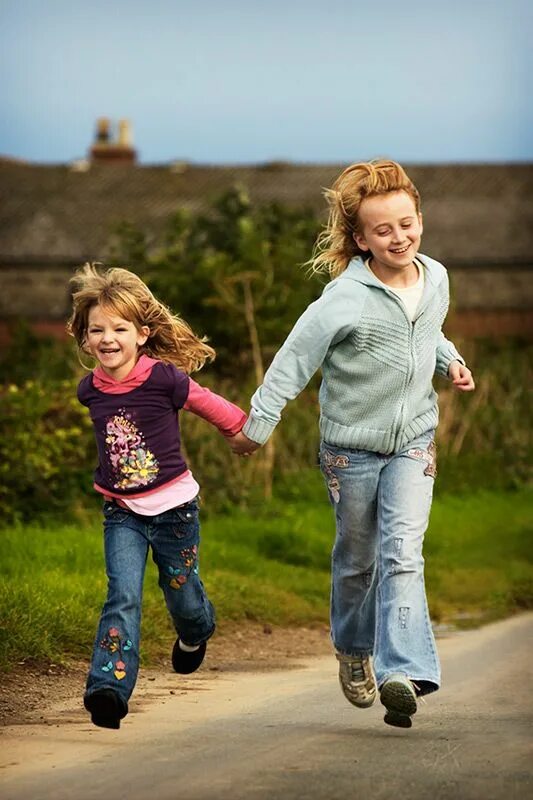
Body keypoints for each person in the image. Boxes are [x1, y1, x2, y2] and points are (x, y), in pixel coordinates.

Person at [229, 160, 475, 728]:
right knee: (357, 562)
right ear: (360, 238)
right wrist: (256, 427)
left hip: (415, 439)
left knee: (402, 553)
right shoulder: (344, 299)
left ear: (420, 220)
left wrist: (451, 360)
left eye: (407, 224)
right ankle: (353, 649)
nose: (399, 238)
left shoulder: (435, 277)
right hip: (351, 452)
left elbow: (427, 328)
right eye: (383, 230)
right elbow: (293, 361)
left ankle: (401, 672)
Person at [68, 263, 247, 730]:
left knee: (182, 594)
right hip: (121, 512)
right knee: (122, 596)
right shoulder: (90, 390)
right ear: (85, 339)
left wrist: (243, 429)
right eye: (97, 330)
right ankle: (108, 688)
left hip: (174, 511)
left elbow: (207, 401)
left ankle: (196, 632)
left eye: (120, 329)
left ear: (142, 334)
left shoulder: (163, 378)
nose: (108, 338)